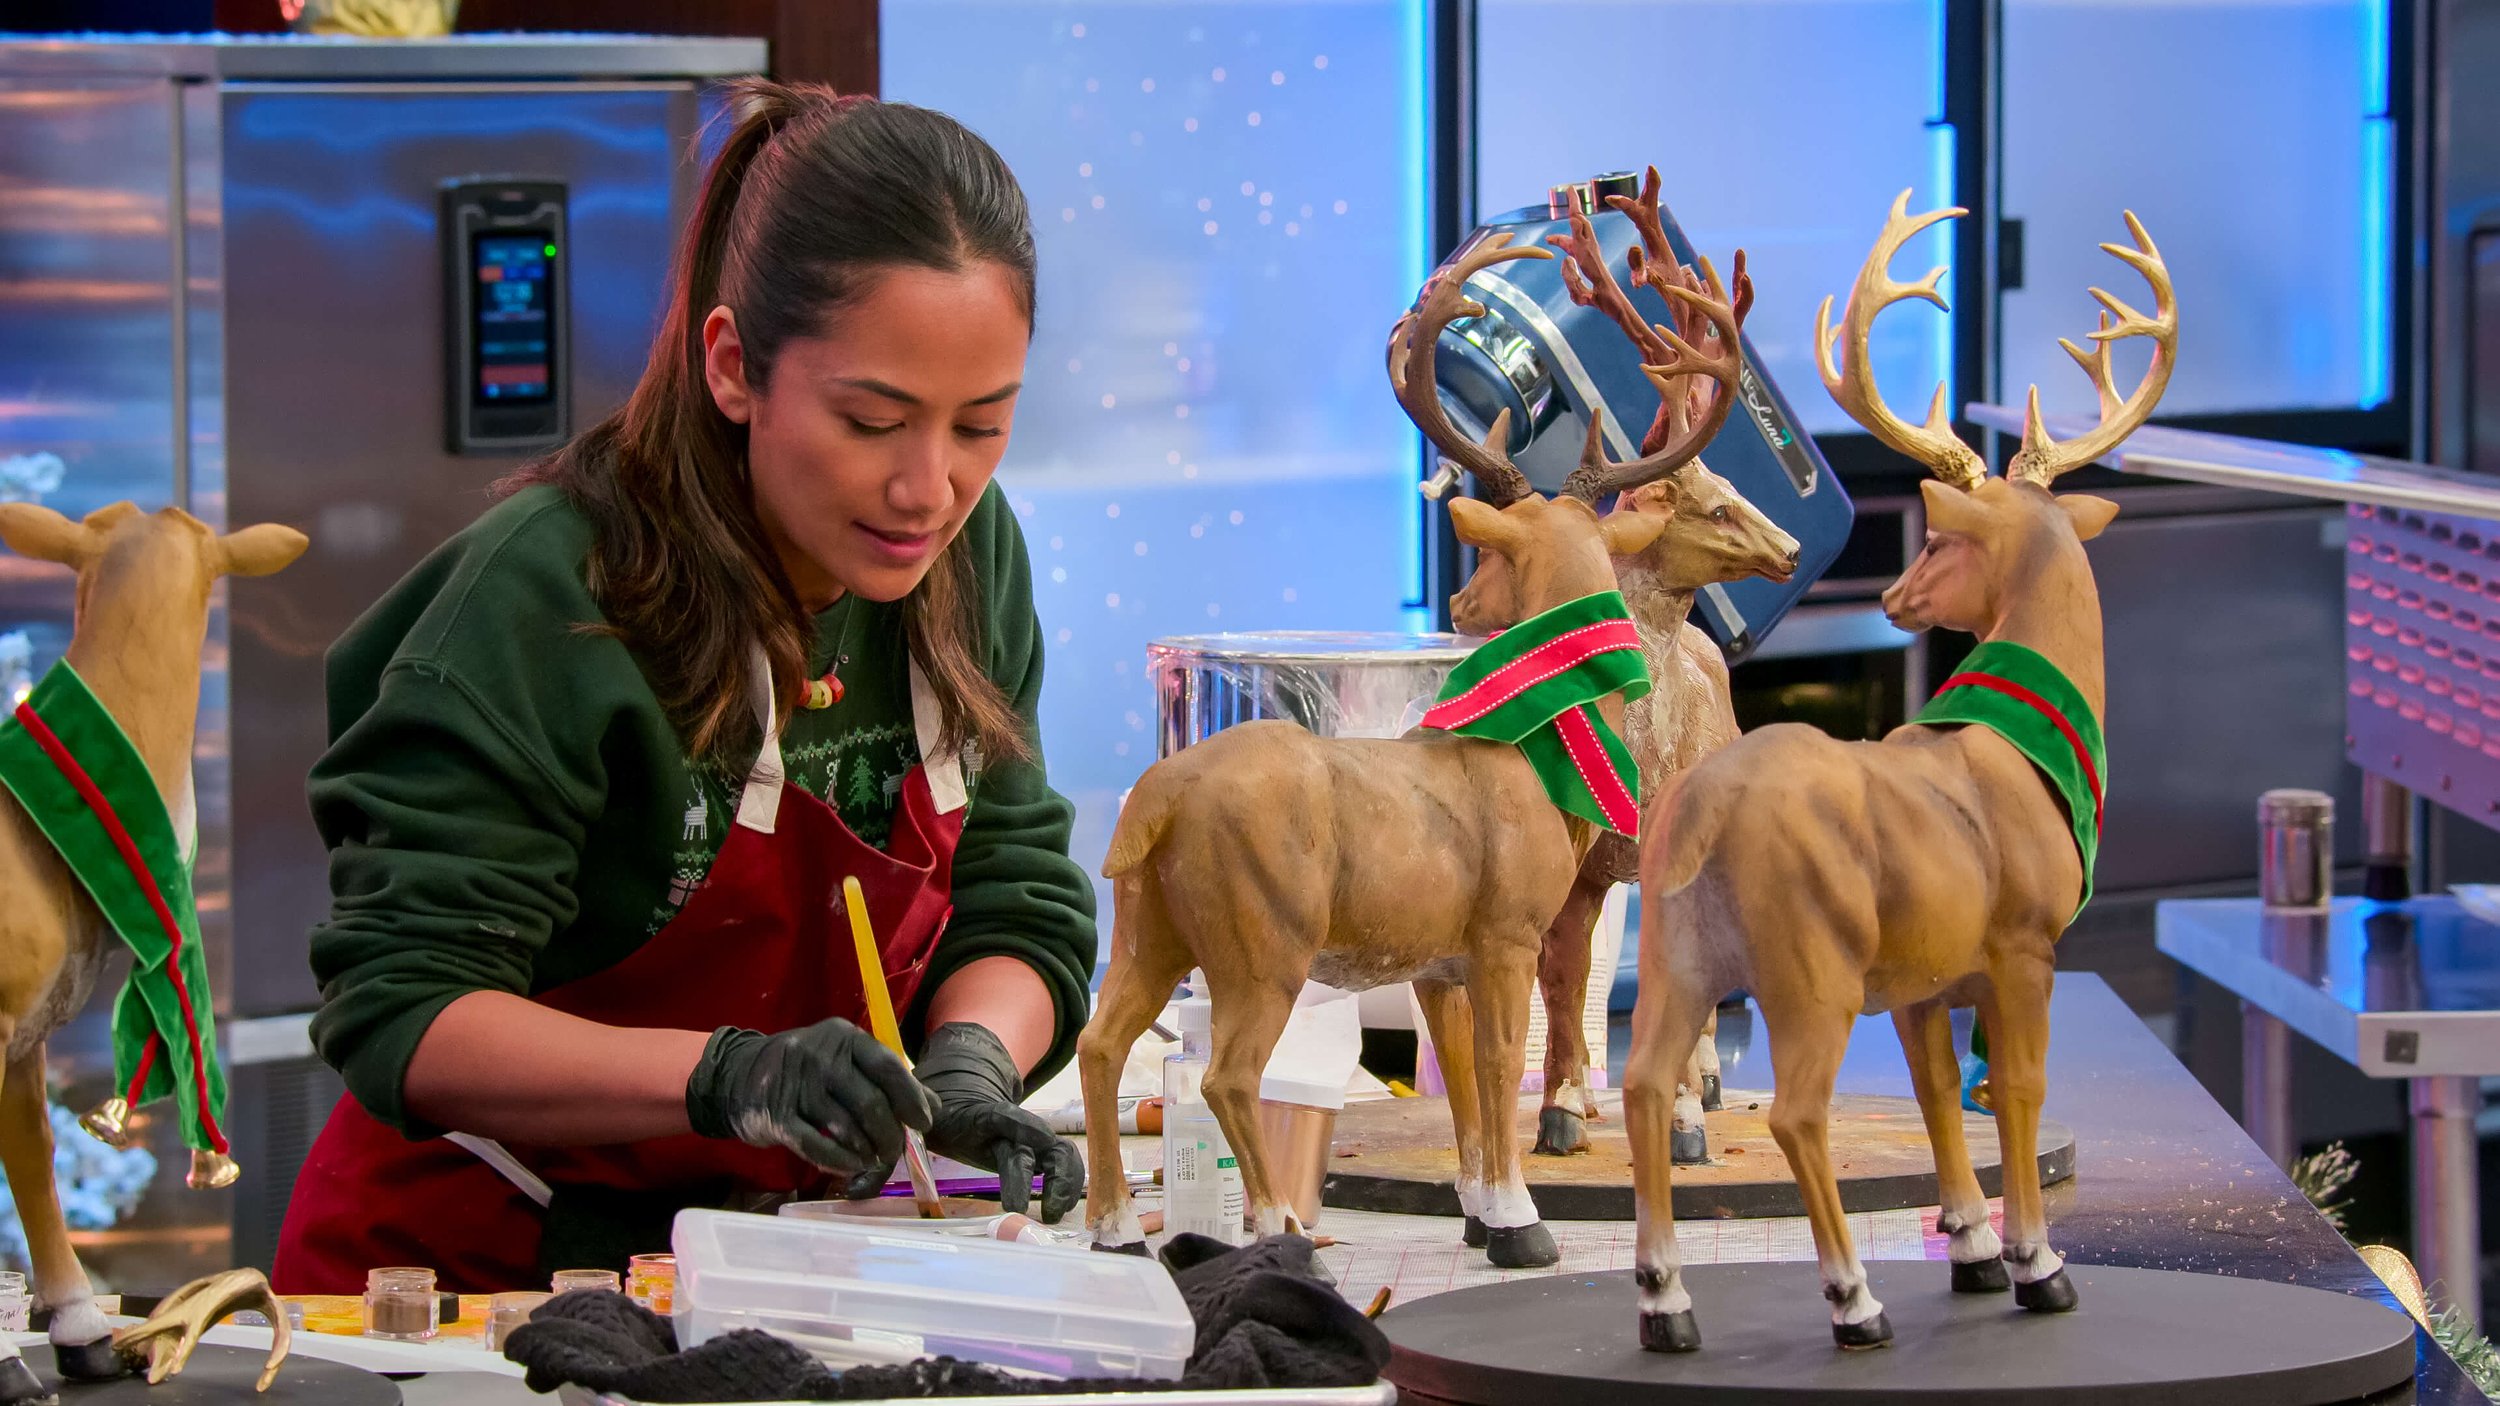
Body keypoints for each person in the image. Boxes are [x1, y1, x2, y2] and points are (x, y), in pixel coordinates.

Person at [273, 80, 1096, 1292]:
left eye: (981, 425)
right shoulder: (545, 601)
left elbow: (1014, 891)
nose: (930, 487)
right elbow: (409, 1005)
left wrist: (971, 1062)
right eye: (873, 420)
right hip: (464, 1280)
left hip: (763, 1262)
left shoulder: (962, 559)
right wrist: (733, 1076)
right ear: (732, 366)